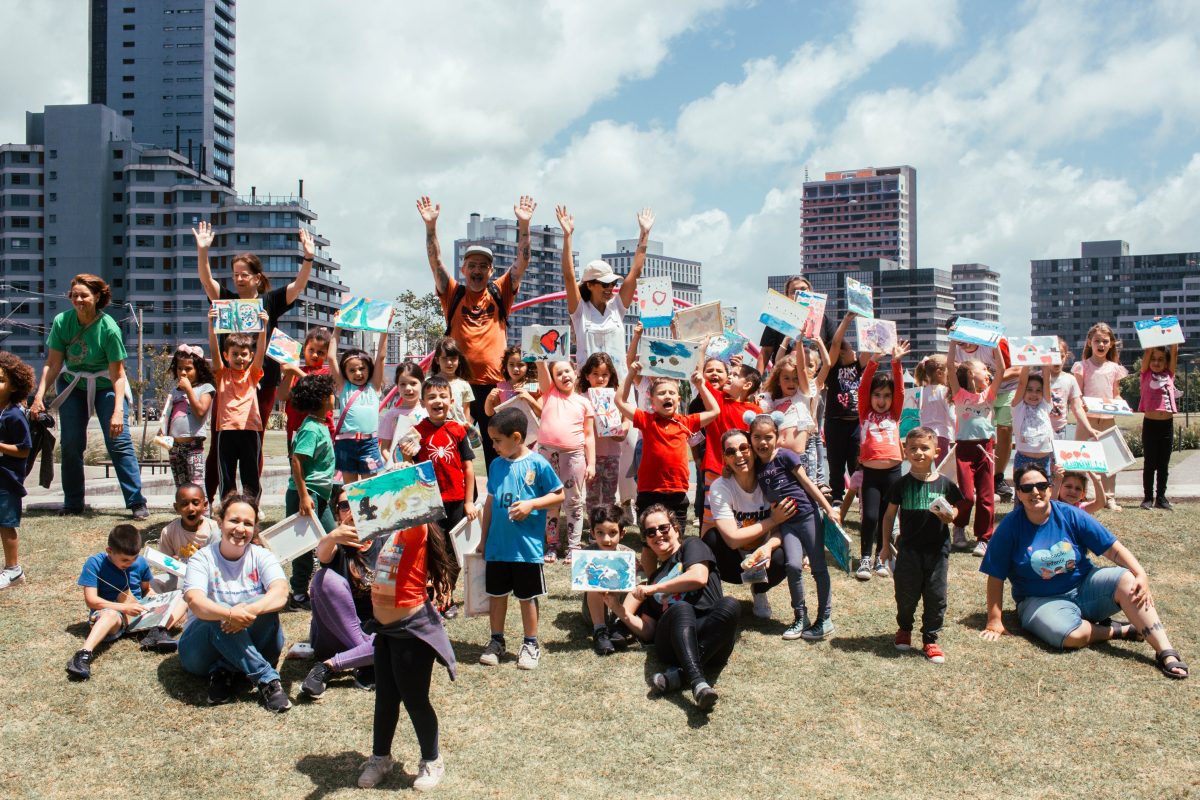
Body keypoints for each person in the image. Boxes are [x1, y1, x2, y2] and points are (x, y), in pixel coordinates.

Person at [979, 464, 1188, 680]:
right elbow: (996, 575)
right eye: (1027, 488)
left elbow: (1113, 549)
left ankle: (1166, 652)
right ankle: (1119, 631)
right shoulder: (1009, 527)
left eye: (1041, 485)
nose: (1035, 492)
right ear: (1019, 494)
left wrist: (1140, 574)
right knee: (1071, 635)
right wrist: (994, 620)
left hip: (1084, 588)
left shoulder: (1070, 515)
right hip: (1039, 600)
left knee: (1127, 579)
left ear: (1050, 488)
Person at [194, 222, 316, 499]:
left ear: (257, 277)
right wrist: (203, 251)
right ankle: (213, 499)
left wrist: (308, 257)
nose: (239, 279)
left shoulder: (269, 302)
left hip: (262, 380)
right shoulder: (225, 299)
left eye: (244, 274)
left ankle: (250, 499)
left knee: (254, 443)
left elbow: (298, 286)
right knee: (220, 443)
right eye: (235, 275)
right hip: (227, 383)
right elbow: (205, 280)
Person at [419, 195, 536, 466]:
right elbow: (436, 262)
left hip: (496, 385)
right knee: (453, 451)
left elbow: (522, 263)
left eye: (483, 266)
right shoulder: (453, 294)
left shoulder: (499, 291)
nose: (477, 270)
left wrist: (524, 224)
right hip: (457, 386)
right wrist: (430, 227)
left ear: (491, 271)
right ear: (463, 269)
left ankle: (501, 501)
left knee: (502, 450)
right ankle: (463, 504)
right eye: (472, 265)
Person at [30, 274, 147, 519]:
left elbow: (118, 375)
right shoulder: (62, 322)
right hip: (73, 383)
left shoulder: (109, 328)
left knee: (119, 441)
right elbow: (52, 364)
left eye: (84, 295)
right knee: (71, 443)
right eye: (74, 295)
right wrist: (40, 397)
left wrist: (118, 411)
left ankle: (136, 501)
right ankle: (73, 502)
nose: (79, 300)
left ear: (97, 297)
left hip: (106, 385)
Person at [357, 515, 459, 790]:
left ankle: (432, 760)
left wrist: (406, 480)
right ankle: (381, 758)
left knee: (415, 700)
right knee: (385, 699)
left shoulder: (415, 529)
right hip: (386, 632)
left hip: (411, 632)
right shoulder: (389, 533)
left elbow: (415, 502)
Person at [608, 505, 740, 712]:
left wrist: (654, 589)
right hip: (673, 644)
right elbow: (649, 631)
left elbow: (698, 577)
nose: (658, 534)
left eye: (663, 528)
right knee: (681, 608)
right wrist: (618, 610)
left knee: (730, 604)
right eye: (650, 532)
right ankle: (697, 682)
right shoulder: (654, 577)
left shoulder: (692, 546)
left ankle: (680, 675)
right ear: (646, 539)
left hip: (713, 638)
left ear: (676, 529)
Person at [178, 494, 292, 711]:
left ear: (255, 528)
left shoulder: (262, 556)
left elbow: (280, 592)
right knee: (212, 614)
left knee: (265, 602)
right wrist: (229, 614)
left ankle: (223, 670)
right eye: (234, 521)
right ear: (220, 522)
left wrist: (248, 610)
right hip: (200, 653)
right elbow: (195, 601)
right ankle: (266, 678)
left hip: (257, 643)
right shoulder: (202, 559)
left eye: (248, 523)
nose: (240, 528)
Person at [475, 407, 564, 670]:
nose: (493, 446)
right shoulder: (496, 465)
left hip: (526, 549)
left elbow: (558, 495)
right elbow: (490, 503)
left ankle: (531, 643)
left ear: (516, 437)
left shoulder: (538, 463)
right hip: (498, 547)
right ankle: (496, 641)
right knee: (497, 595)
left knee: (527, 597)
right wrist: (483, 539)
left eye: (497, 441)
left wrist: (531, 505)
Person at [748, 413, 840, 640]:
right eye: (757, 437)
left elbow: (808, 483)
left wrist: (829, 508)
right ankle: (800, 617)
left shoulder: (786, 456)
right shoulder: (756, 467)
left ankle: (824, 619)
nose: (762, 442)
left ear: (777, 437)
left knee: (818, 567)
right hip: (786, 523)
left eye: (768, 437)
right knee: (793, 566)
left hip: (807, 516)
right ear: (750, 439)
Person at [880, 428, 965, 664]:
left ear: (936, 452)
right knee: (906, 593)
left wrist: (952, 515)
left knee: (936, 595)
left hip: (938, 552)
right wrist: (886, 545)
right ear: (904, 451)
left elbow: (958, 508)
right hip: (909, 551)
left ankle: (930, 638)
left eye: (924, 448)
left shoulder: (946, 484)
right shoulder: (901, 485)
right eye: (913, 448)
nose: (918, 453)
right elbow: (888, 516)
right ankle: (904, 629)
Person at [397, 375, 476, 616]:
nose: (437, 401)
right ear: (423, 402)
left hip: (456, 501)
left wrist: (469, 501)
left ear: (451, 401)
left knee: (453, 551)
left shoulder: (458, 431)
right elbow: (408, 468)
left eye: (443, 396)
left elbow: (468, 468)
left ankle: (448, 595)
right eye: (431, 397)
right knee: (432, 549)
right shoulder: (415, 433)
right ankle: (432, 595)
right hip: (429, 503)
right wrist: (407, 456)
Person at [704, 429, 798, 625]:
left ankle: (760, 590)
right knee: (710, 539)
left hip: (764, 558)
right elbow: (731, 539)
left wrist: (768, 547)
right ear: (725, 458)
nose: (738, 455)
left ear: (754, 451)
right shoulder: (720, 487)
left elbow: (784, 527)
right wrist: (772, 521)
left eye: (744, 448)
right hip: (733, 560)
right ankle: (714, 597)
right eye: (731, 452)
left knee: (787, 550)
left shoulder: (770, 480)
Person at [67, 524, 184, 680]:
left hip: (139, 613)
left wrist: (158, 600)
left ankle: (157, 632)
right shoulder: (94, 563)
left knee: (185, 597)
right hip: (114, 616)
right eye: (124, 560)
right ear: (109, 551)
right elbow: (91, 600)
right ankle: (83, 655)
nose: (130, 563)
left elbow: (145, 590)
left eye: (134, 558)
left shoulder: (140, 562)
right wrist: (124, 607)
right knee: (110, 615)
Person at [615, 360, 719, 526]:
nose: (667, 395)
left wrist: (701, 386)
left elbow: (714, 411)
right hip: (649, 491)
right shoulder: (646, 420)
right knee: (649, 542)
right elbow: (620, 401)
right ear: (652, 401)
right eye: (662, 393)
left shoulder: (687, 421)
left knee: (676, 540)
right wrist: (630, 375)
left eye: (672, 393)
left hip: (677, 491)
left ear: (678, 400)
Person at [557, 204, 654, 379]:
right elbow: (569, 276)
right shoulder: (580, 311)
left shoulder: (617, 307)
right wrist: (567, 236)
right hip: (588, 387)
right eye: (604, 284)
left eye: (613, 283)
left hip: (619, 386)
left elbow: (635, 272)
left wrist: (644, 234)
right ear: (590, 285)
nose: (610, 288)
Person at [301, 487, 376, 699]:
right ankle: (367, 656)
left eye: (358, 502)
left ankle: (330, 666)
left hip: (371, 629)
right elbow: (323, 553)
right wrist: (333, 536)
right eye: (345, 505)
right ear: (338, 513)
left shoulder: (384, 542)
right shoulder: (335, 546)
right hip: (331, 636)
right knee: (325, 578)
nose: (351, 508)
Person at [854, 340, 909, 580]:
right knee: (870, 516)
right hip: (871, 474)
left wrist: (896, 362)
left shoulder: (895, 414)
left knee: (889, 517)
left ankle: (881, 556)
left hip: (893, 472)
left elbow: (900, 391)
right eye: (877, 395)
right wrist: (874, 360)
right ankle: (865, 557)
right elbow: (863, 386)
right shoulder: (865, 411)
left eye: (886, 396)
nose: (882, 400)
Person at [285, 373, 338, 610]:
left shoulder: (319, 424)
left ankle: (329, 588)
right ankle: (298, 594)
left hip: (319, 494)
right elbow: (296, 461)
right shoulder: (311, 429)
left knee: (331, 541)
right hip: (308, 495)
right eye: (331, 394)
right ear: (323, 399)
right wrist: (304, 496)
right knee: (307, 545)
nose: (334, 397)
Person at [948, 340, 1004, 556]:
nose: (988, 372)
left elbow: (1001, 369)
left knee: (986, 495)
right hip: (964, 449)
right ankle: (959, 527)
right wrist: (953, 342)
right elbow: (951, 367)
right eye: (983, 369)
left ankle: (984, 538)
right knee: (966, 496)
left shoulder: (989, 395)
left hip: (985, 449)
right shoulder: (960, 395)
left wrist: (995, 345)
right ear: (971, 374)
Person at [207, 306, 269, 501]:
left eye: (244, 354)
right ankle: (227, 508)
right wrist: (211, 324)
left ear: (249, 357)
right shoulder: (221, 374)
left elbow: (260, 352)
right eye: (235, 354)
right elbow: (214, 350)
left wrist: (263, 327)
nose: (239, 358)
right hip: (226, 431)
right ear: (227, 356)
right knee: (226, 475)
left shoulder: (253, 375)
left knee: (250, 474)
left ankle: (252, 508)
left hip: (250, 430)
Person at [535, 359, 594, 563]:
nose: (564, 376)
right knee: (551, 502)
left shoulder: (585, 402)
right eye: (558, 373)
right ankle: (552, 545)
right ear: (553, 379)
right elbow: (542, 370)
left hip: (574, 456)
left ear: (575, 372)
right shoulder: (549, 393)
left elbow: (589, 435)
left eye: (567, 371)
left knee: (574, 502)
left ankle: (574, 547)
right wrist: (540, 361)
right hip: (546, 455)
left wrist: (592, 462)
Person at [699, 362, 762, 534]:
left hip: (743, 473)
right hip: (715, 469)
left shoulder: (756, 411)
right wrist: (702, 350)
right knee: (709, 518)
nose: (729, 377)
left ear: (747, 385)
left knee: (738, 516)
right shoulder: (716, 400)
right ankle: (704, 555)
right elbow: (699, 377)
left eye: (734, 375)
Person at [1072, 322, 1128, 511]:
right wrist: (1083, 406)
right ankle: (1078, 496)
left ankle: (1108, 497)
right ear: (1089, 342)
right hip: (1086, 420)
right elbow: (1077, 394)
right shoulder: (1082, 366)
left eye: (1105, 341)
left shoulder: (1114, 368)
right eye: (1097, 341)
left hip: (1107, 419)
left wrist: (1121, 404)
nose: (1101, 345)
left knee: (1110, 459)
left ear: (1111, 343)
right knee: (1080, 457)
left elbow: (1116, 393)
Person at [329, 322, 389, 484]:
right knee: (351, 490)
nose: (358, 373)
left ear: (369, 368)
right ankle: (348, 510)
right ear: (345, 372)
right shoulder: (343, 387)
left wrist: (385, 326)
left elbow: (381, 357)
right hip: (346, 443)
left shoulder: (374, 387)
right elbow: (331, 357)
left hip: (368, 444)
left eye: (362, 368)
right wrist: (337, 329)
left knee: (370, 489)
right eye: (352, 370)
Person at [822, 312, 868, 504]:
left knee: (856, 462)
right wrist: (847, 320)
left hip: (855, 424)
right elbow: (834, 343)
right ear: (841, 354)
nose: (855, 352)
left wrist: (868, 324)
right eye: (851, 350)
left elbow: (867, 350)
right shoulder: (832, 370)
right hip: (834, 423)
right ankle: (837, 497)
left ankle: (860, 495)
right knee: (835, 463)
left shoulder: (858, 367)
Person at [585, 503, 640, 656]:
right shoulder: (587, 554)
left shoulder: (628, 554)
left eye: (612, 533)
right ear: (592, 533)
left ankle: (620, 626)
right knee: (594, 581)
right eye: (600, 533)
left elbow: (639, 584)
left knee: (640, 582)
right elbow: (580, 580)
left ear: (622, 533)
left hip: (621, 609)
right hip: (595, 611)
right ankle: (600, 631)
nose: (606, 539)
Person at [0, 351, 33, 590]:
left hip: (7, 480)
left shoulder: (14, 415)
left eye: (1, 380)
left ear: (14, 387)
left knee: (6, 523)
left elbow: (24, 449)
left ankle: (13, 569)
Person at [757, 275, 837, 372]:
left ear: (811, 292)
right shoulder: (778, 319)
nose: (800, 293)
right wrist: (757, 381)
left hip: (814, 379)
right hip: (784, 378)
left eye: (803, 289)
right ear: (787, 296)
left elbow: (834, 350)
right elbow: (765, 352)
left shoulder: (826, 321)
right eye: (794, 291)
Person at [162, 344, 215, 489]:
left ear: (199, 370)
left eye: (188, 369)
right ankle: (185, 510)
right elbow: (168, 414)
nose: (183, 373)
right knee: (181, 486)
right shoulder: (174, 391)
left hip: (193, 446)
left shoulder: (206, 388)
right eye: (180, 368)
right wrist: (162, 430)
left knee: (197, 485)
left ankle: (202, 511)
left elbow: (200, 412)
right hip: (174, 446)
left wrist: (189, 390)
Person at [150, 483, 220, 593]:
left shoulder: (215, 529)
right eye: (184, 504)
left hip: (208, 578)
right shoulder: (168, 532)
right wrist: (172, 563)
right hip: (181, 579)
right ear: (176, 508)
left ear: (205, 505)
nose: (190, 508)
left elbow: (221, 561)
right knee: (152, 583)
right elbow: (166, 565)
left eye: (195, 503)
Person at [580, 352, 627, 509]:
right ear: (587, 376)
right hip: (591, 456)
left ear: (610, 376)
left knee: (609, 494)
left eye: (604, 375)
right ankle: (594, 529)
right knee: (592, 495)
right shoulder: (582, 398)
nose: (600, 379)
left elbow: (626, 419)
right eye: (595, 374)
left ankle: (608, 526)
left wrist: (621, 430)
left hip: (612, 454)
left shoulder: (616, 397)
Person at [279, 326, 334, 449]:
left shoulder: (327, 373)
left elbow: (327, 401)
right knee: (296, 467)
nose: (315, 355)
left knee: (321, 467)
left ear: (326, 355)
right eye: (311, 350)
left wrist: (295, 371)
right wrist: (289, 373)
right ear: (304, 350)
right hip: (296, 431)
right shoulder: (295, 371)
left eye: (320, 352)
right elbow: (282, 395)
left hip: (322, 431)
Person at [1139, 340, 1178, 510]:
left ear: (1166, 362)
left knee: (1163, 464)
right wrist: (1154, 330)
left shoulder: (1170, 373)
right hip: (1150, 425)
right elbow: (1148, 352)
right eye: (1154, 359)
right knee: (1149, 463)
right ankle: (1147, 498)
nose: (1156, 362)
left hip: (1166, 426)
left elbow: (1174, 351)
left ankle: (1161, 497)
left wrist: (1169, 328)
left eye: (1160, 359)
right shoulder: (1145, 374)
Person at [431, 336, 478, 445]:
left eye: (453, 358)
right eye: (445, 358)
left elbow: (466, 412)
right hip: (436, 432)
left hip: (458, 433)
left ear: (459, 360)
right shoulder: (430, 383)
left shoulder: (464, 385)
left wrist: (467, 428)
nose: (449, 363)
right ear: (437, 360)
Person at [378, 361, 427, 464]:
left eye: (413, 383)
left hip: (430, 466)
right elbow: (385, 449)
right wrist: (396, 465)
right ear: (397, 386)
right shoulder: (391, 415)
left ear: (422, 382)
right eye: (403, 384)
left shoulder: (429, 410)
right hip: (404, 467)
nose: (408, 388)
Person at [1010, 366, 1054, 477]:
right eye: (1029, 390)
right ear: (1023, 391)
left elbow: (1047, 381)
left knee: (1043, 492)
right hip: (1024, 458)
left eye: (1038, 390)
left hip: (1044, 459)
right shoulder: (1018, 407)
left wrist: (1046, 362)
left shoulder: (1045, 405)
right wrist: (1027, 362)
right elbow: (1022, 383)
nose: (1034, 394)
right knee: (1022, 491)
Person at [914, 354, 954, 464]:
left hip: (924, 434)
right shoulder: (944, 391)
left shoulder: (921, 392)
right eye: (948, 371)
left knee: (924, 465)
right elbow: (952, 415)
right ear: (939, 373)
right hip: (941, 435)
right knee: (942, 467)